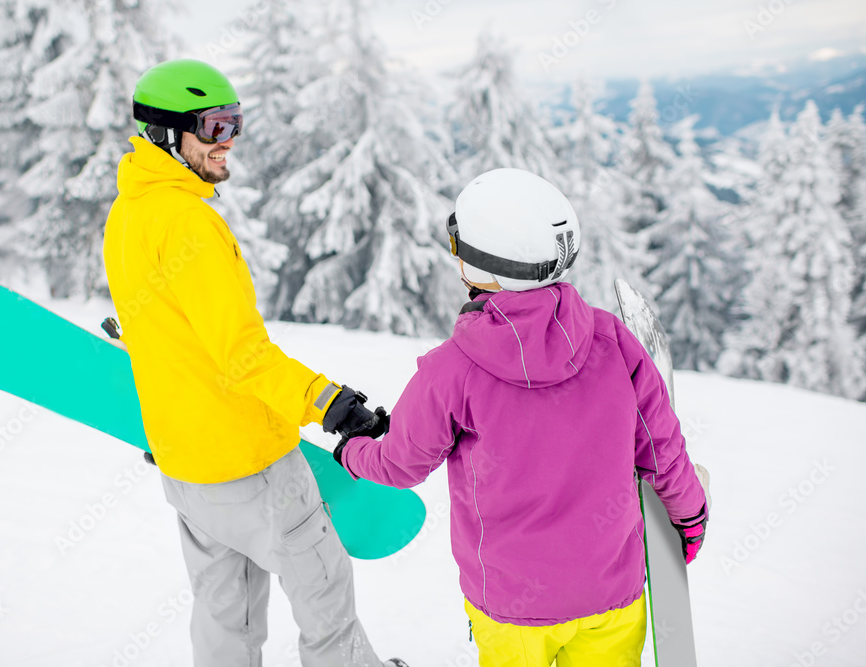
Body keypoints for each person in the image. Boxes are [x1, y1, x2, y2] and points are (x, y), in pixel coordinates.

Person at [333, 168, 711, 667]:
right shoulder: (612, 340)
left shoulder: (452, 368)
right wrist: (689, 517)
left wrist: (351, 453)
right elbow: (662, 451)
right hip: (611, 594)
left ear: (481, 265)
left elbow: (401, 465)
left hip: (512, 606)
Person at [102, 58, 407, 667]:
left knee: (225, 612)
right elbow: (243, 354)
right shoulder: (192, 223)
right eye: (215, 127)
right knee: (323, 590)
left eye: (236, 123)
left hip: (187, 469)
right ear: (169, 134)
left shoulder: (127, 215)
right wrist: (331, 404)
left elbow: (159, 337)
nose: (229, 142)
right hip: (250, 465)